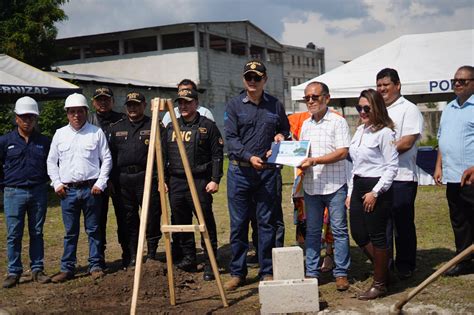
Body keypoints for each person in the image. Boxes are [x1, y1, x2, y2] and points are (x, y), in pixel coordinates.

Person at [224, 60, 290, 290]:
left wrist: (281, 138)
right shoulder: (234, 105)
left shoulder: (275, 105)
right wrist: (249, 157)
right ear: (244, 79)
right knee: (239, 224)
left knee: (266, 224)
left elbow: (285, 129)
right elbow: (231, 140)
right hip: (240, 171)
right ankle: (238, 272)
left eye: (257, 77)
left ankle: (267, 271)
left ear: (265, 80)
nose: (252, 81)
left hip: (267, 174)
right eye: (249, 77)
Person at [47, 93, 112, 283]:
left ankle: (95, 265)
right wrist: (56, 183)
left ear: (86, 112)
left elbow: (106, 159)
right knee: (70, 232)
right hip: (68, 191)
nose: (76, 115)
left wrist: (101, 183)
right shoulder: (60, 134)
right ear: (67, 114)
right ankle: (67, 268)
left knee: (93, 229)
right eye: (72, 112)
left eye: (80, 111)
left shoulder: (96, 132)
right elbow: (51, 161)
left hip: (91, 189)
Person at [163, 88, 224, 281]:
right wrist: (163, 180)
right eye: (180, 103)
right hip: (176, 181)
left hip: (199, 180)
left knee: (205, 222)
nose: (183, 106)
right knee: (181, 222)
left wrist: (215, 180)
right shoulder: (171, 126)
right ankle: (189, 258)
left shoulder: (208, 126)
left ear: (196, 104)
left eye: (187, 102)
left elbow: (217, 155)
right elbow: (163, 155)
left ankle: (210, 263)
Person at [298, 81, 351, 291]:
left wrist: (315, 161)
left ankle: (341, 273)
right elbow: (301, 152)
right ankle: (311, 271)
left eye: (315, 97)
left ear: (326, 98)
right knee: (312, 231)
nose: (310, 101)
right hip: (312, 186)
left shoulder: (338, 122)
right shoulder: (305, 124)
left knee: (339, 230)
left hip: (335, 185)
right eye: (307, 98)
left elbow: (342, 152)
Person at [346, 89, 398, 300]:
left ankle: (379, 284)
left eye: (367, 108)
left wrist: (375, 192)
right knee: (358, 233)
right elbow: (354, 165)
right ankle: (384, 271)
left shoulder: (385, 133)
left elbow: (392, 167)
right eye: (359, 107)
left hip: (376, 187)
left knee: (377, 236)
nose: (362, 112)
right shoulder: (360, 130)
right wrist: (351, 192)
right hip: (358, 184)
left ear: (377, 108)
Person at [376, 68, 424, 279]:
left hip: (402, 177)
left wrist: (380, 151)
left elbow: (407, 141)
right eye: (379, 85)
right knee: (382, 224)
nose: (382, 89)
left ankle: (405, 265)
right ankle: (385, 265)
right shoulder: (376, 110)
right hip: (380, 177)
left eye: (386, 85)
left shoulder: (409, 109)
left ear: (397, 85)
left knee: (402, 224)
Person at [0, 96, 51, 288]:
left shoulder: (44, 141)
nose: (27, 120)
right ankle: (14, 272)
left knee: (37, 232)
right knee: (14, 234)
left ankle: (37, 269)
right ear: (16, 118)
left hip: (38, 191)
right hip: (13, 192)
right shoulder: (5, 141)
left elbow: (51, 164)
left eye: (31, 117)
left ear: (35, 119)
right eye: (23, 117)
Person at [108, 92, 162, 269]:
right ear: (125, 107)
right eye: (130, 105)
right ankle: (132, 255)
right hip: (123, 180)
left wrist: (161, 179)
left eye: (136, 104)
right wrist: (111, 180)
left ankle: (152, 254)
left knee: (152, 217)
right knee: (128, 219)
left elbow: (164, 154)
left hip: (147, 178)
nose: (133, 108)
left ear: (144, 105)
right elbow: (109, 157)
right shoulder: (116, 128)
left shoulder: (154, 125)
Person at [434, 65, 474, 277]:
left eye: (463, 81)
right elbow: (442, 139)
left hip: (472, 176)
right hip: (452, 175)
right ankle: (464, 260)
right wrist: (438, 165)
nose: (457, 84)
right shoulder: (449, 107)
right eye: (455, 80)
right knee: (459, 219)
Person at [88, 87, 125, 269]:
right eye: (99, 99)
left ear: (112, 101)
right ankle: (98, 259)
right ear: (93, 102)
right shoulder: (88, 121)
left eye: (106, 99)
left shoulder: (122, 119)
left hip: (119, 175)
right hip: (97, 179)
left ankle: (128, 255)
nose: (103, 102)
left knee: (124, 217)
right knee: (98, 220)